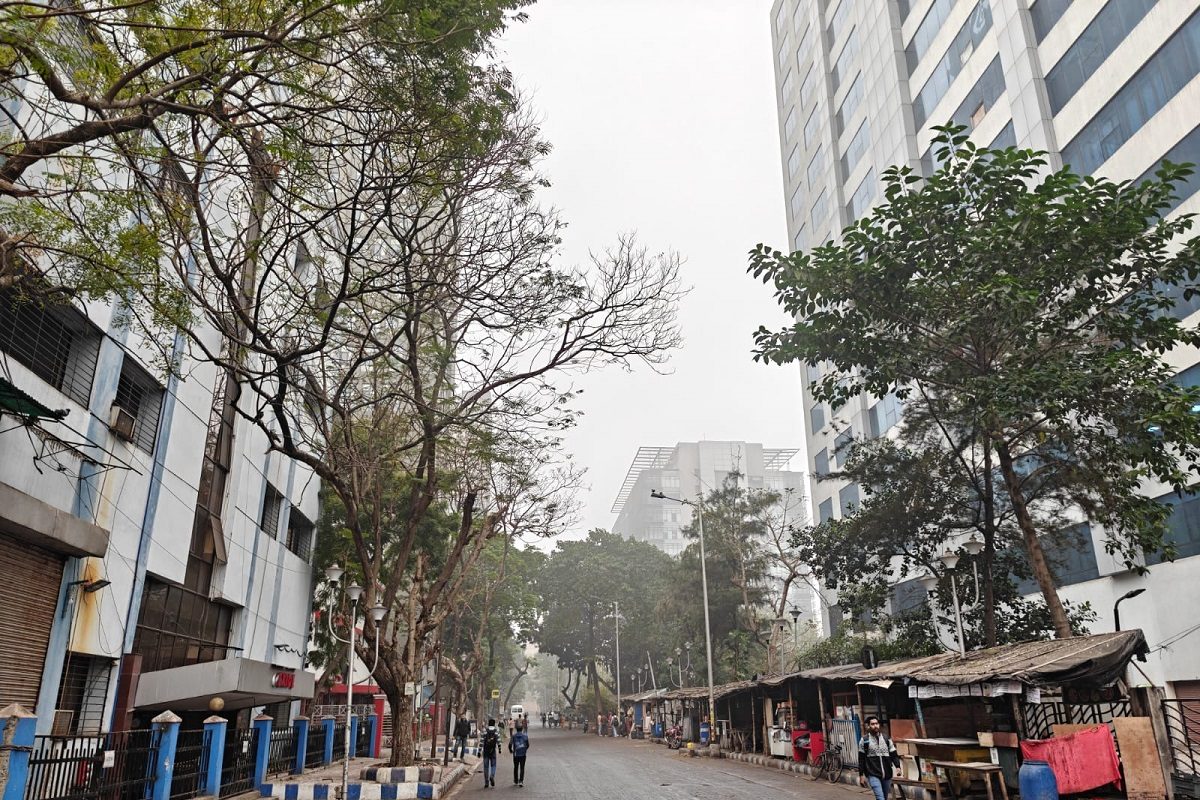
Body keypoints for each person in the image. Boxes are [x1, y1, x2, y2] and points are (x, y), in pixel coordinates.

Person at [858, 715, 901, 800]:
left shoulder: (886, 738)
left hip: (887, 774)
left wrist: (898, 766)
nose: (875, 726)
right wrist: (861, 775)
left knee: (884, 798)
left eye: (876, 723)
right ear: (869, 726)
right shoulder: (864, 740)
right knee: (880, 798)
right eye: (873, 724)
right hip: (872, 773)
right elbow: (861, 759)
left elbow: (893, 754)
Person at [508, 719, 530, 787]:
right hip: (523, 754)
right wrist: (525, 749)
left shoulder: (513, 736)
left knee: (516, 767)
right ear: (522, 729)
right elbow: (528, 745)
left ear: (516, 729)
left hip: (516, 754)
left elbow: (510, 744)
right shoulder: (525, 736)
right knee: (522, 767)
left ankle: (515, 781)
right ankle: (521, 781)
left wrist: (511, 750)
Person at [480, 719, 501, 789]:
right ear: (494, 724)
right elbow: (498, 740)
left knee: (486, 767)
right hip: (493, 751)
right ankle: (492, 775)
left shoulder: (484, 730)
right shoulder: (496, 731)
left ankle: (486, 782)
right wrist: (500, 748)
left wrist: (479, 751)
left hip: (486, 751)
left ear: (488, 723)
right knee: (493, 765)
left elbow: (482, 742)